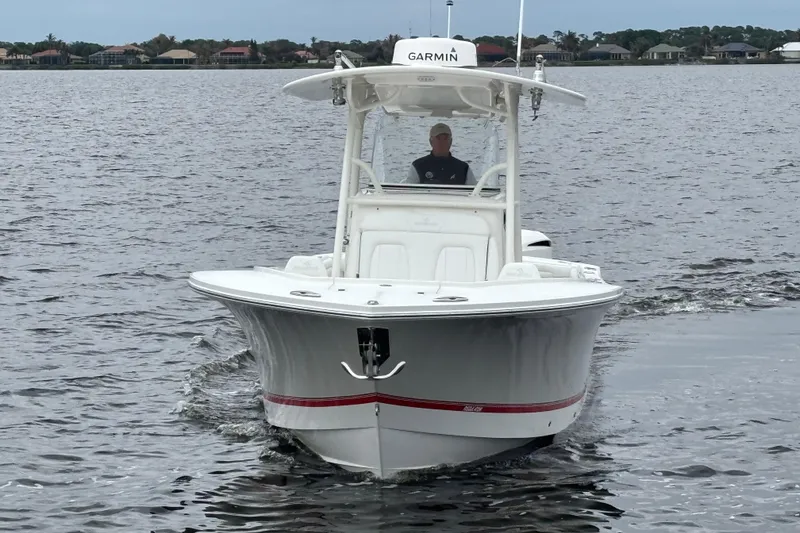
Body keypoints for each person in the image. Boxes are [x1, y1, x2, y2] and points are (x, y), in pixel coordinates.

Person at [407, 123, 477, 185]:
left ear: (451, 141)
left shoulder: (463, 168)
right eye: (438, 138)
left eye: (445, 138)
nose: (442, 142)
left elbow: (475, 193)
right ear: (431, 141)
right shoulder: (418, 166)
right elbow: (408, 194)